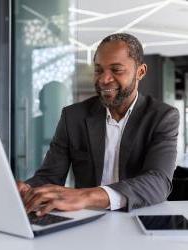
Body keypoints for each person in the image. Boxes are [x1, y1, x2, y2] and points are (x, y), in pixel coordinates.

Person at [17, 33, 179, 216]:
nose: (104, 79)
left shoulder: (162, 116)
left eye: (116, 70)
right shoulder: (73, 116)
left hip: (139, 216)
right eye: (99, 70)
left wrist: (87, 196)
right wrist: (27, 188)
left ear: (140, 72)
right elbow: (50, 176)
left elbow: (158, 181)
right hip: (88, 218)